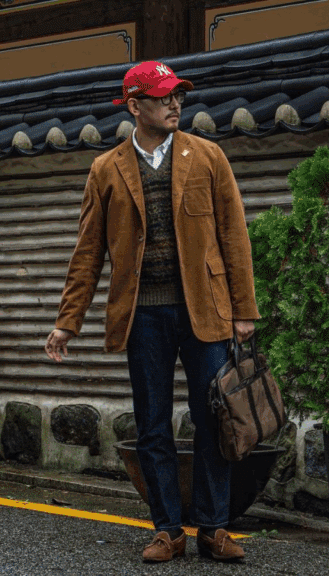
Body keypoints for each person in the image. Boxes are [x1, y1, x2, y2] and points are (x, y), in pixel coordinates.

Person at [44, 61, 259, 563]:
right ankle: (167, 530)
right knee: (153, 425)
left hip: (206, 310)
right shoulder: (106, 168)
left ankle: (214, 528)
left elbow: (234, 236)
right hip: (143, 316)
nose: (175, 104)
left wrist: (243, 310)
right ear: (135, 106)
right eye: (163, 98)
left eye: (178, 96)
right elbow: (87, 252)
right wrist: (66, 321)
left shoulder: (208, 156)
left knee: (214, 420)